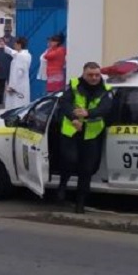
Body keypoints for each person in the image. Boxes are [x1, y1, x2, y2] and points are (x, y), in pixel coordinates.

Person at [56, 62, 114, 214]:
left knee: (86, 170)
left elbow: (106, 108)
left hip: (91, 134)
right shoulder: (74, 84)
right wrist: (74, 117)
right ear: (84, 74)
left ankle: (80, 204)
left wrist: (88, 113)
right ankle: (62, 185)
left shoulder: (106, 89)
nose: (94, 78)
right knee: (70, 160)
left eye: (97, 75)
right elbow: (64, 103)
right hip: (71, 130)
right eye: (90, 75)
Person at [5, 37, 32, 111]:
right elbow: (12, 52)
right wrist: (4, 47)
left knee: (16, 104)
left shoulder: (20, 56)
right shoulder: (26, 55)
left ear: (19, 45)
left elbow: (17, 72)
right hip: (22, 83)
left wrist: (12, 86)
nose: (14, 45)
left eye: (15, 44)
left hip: (17, 84)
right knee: (22, 102)